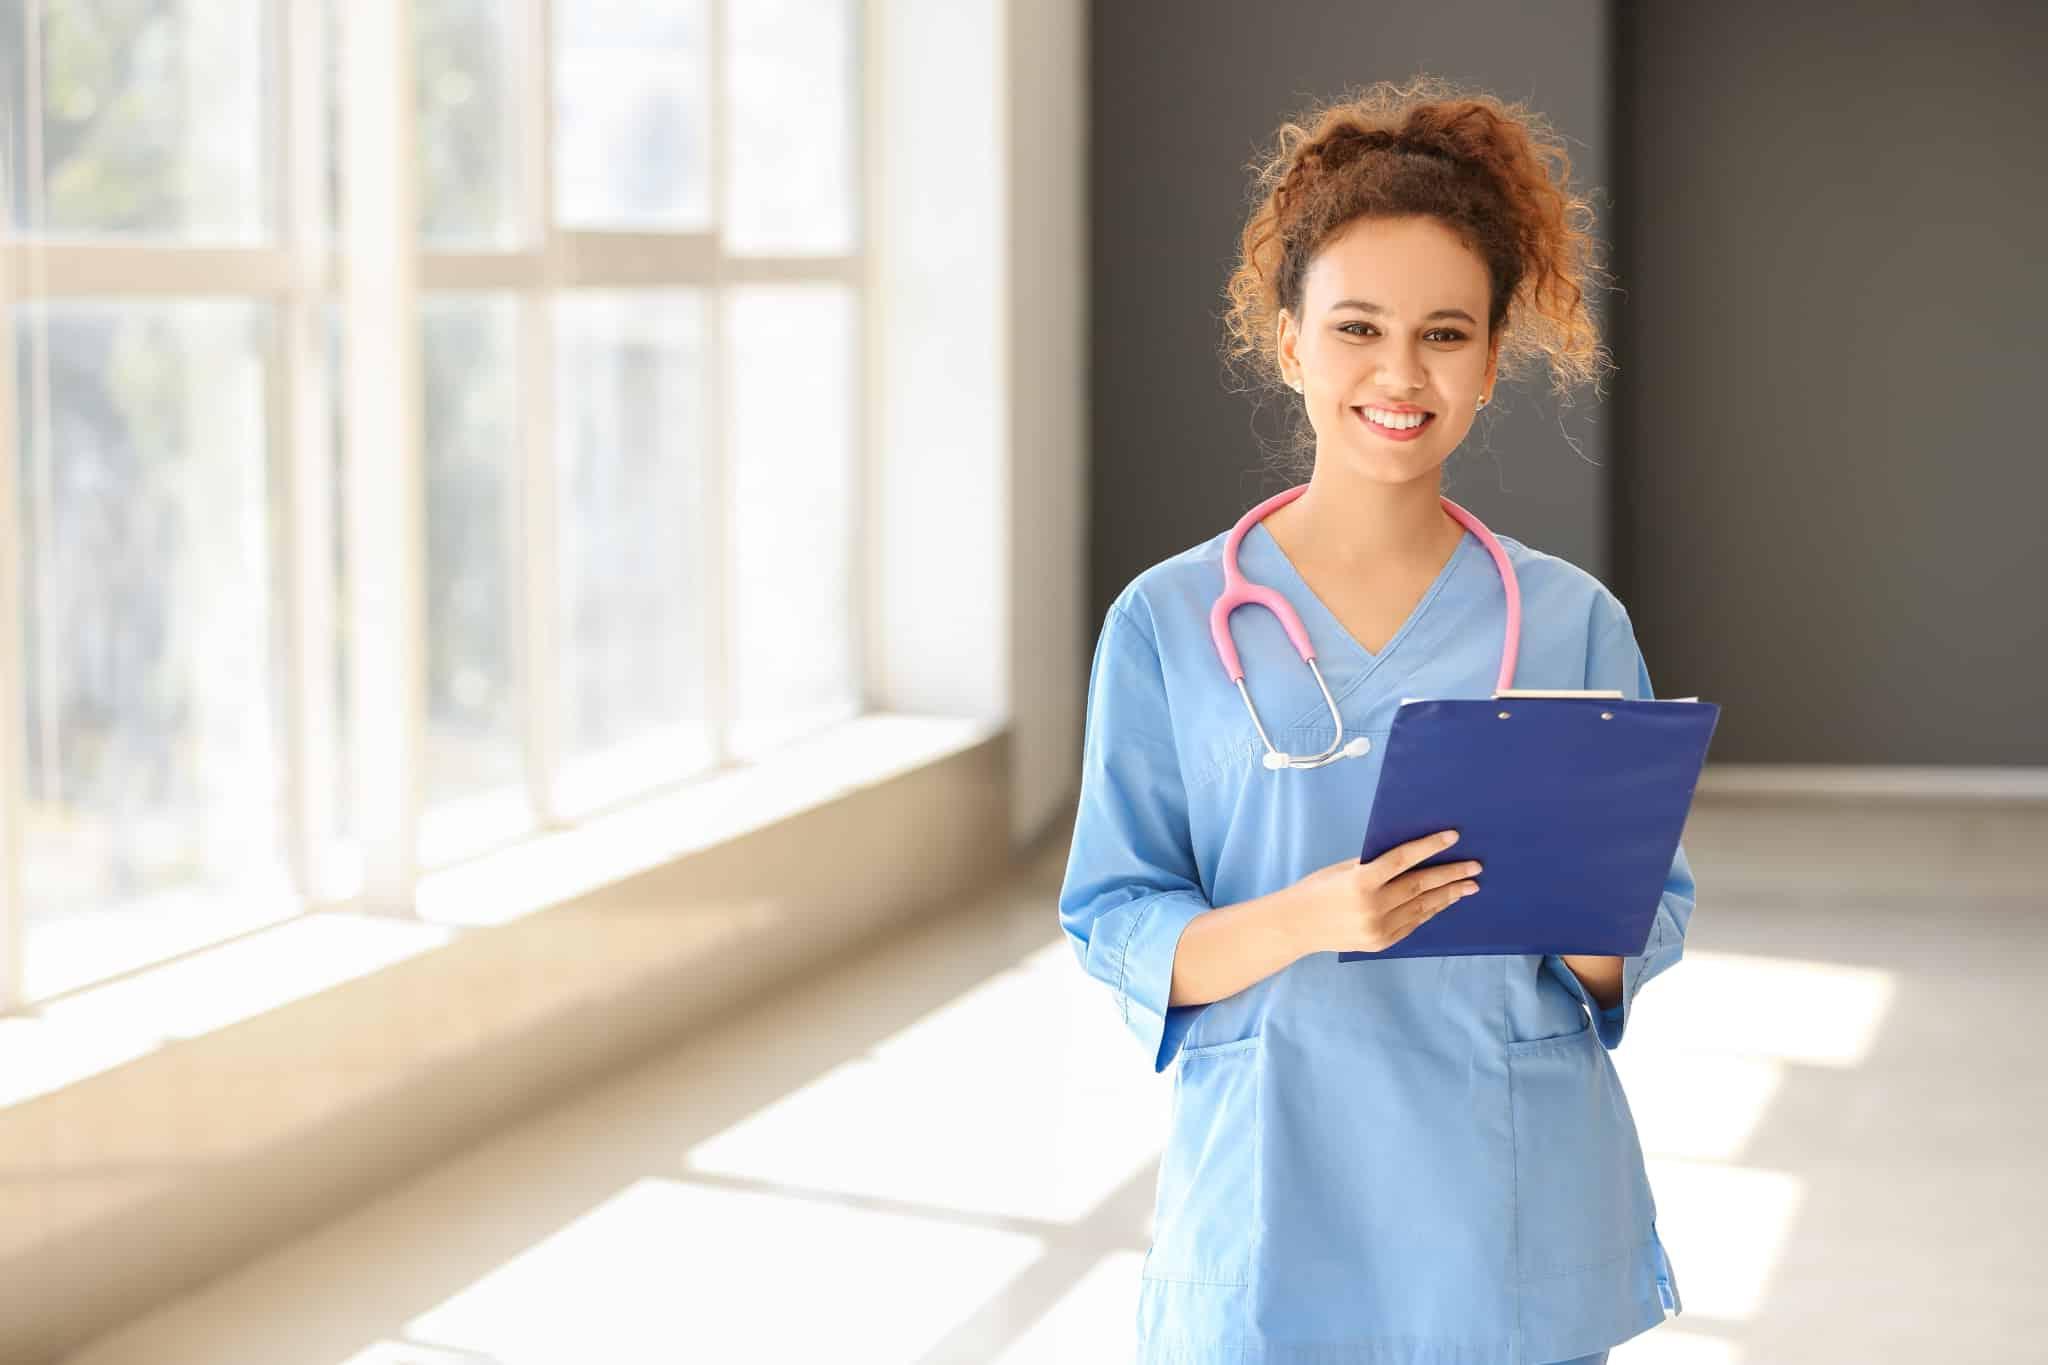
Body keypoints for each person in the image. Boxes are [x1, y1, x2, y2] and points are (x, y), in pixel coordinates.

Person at [1057, 76, 1693, 1365]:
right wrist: (1312, 916)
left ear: (1492, 361)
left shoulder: (1570, 622)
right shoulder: (1170, 622)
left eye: (1447, 335)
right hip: (1274, 1194)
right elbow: (1117, 918)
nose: (1401, 373)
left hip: (1501, 1205)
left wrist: (1584, 919)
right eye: (1357, 326)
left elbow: (1642, 927)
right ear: (1287, 340)